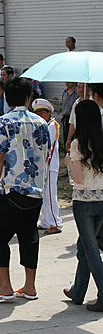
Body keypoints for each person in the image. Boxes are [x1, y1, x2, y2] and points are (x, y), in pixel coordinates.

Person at [0, 77, 50, 303]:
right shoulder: (42, 123)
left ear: (6, 98)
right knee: (29, 236)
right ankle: (30, 286)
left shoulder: (3, 122)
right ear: (29, 98)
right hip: (36, 190)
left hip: (11, 190)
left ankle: (5, 286)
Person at [63, 99, 103, 311]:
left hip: (84, 202)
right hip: (102, 200)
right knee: (84, 247)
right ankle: (78, 290)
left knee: (91, 249)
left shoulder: (78, 144)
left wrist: (69, 163)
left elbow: (77, 179)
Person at [33, 98, 63, 234]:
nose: (39, 115)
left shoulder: (53, 125)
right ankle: (45, 221)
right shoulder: (39, 125)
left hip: (49, 165)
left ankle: (55, 223)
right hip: (42, 165)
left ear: (49, 112)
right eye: (37, 112)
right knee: (43, 194)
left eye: (42, 112)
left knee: (50, 194)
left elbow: (47, 146)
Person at [61, 82, 79, 149]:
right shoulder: (64, 92)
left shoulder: (77, 93)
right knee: (65, 136)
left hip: (73, 118)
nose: (67, 82)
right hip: (65, 117)